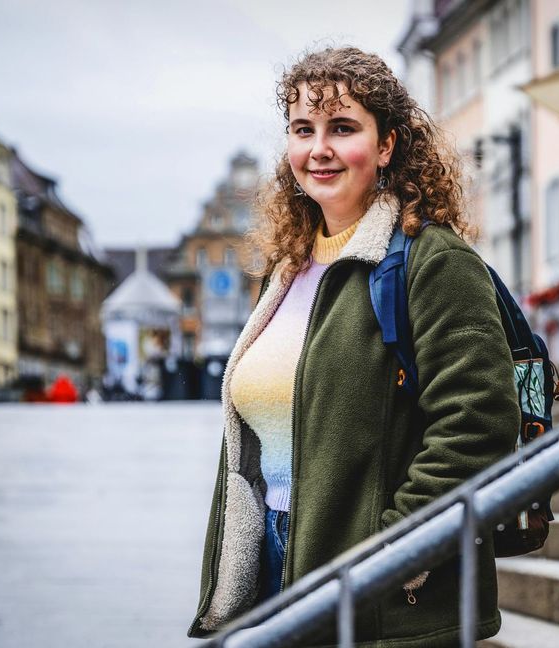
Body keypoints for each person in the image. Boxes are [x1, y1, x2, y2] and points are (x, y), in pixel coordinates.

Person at [187, 47, 520, 646]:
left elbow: (478, 427)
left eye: (342, 128)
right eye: (302, 129)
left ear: (387, 145)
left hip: (382, 588)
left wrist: (391, 550)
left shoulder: (433, 262)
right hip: (271, 558)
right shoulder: (286, 271)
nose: (319, 149)